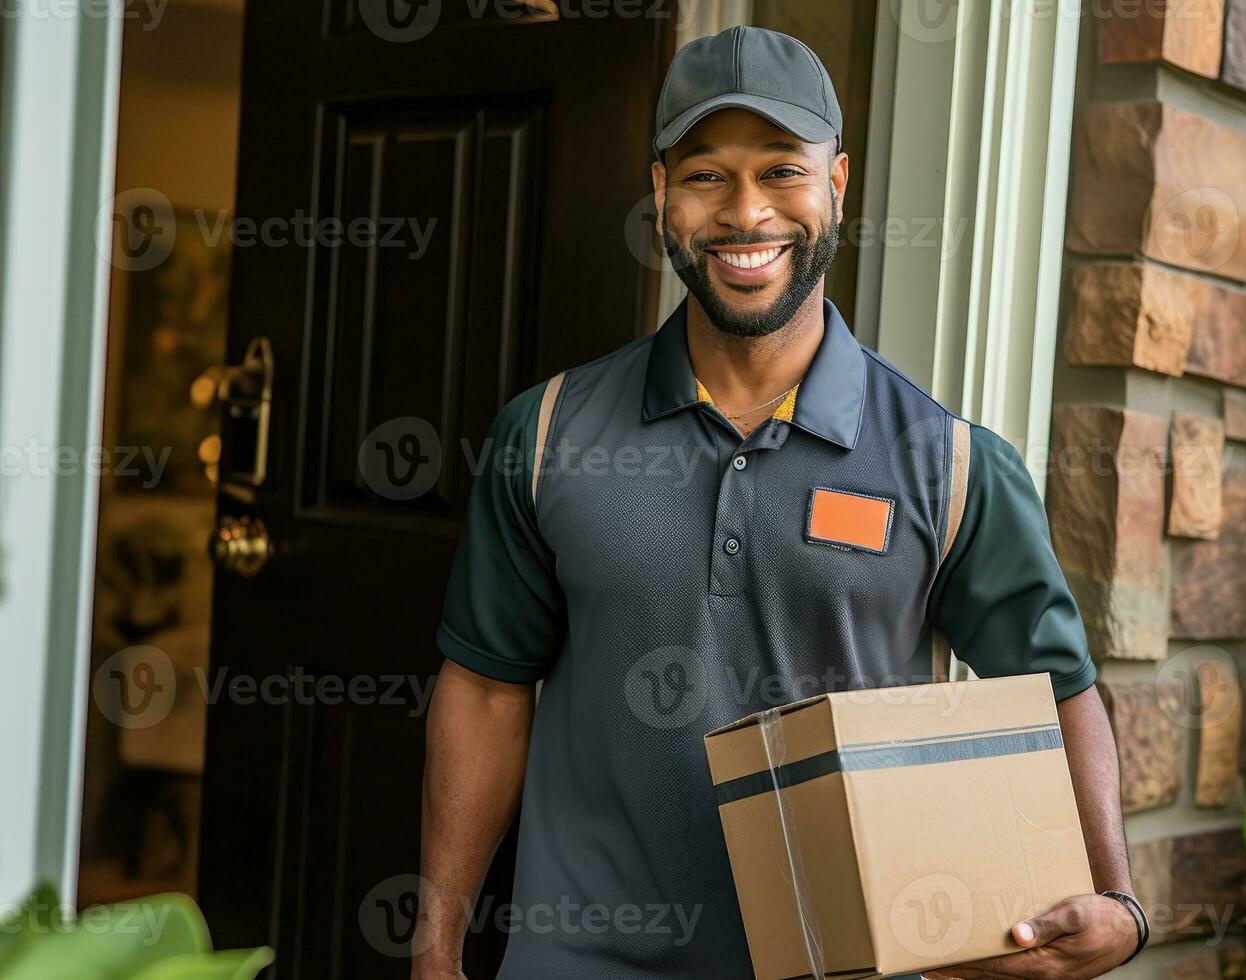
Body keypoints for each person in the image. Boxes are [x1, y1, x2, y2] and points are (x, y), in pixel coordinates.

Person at [413, 26, 1145, 980]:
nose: (746, 212)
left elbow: (1054, 692)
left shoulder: (952, 463)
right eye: (708, 176)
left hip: (844, 966)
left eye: (781, 172)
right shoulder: (546, 434)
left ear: (837, 183)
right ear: (663, 191)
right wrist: (436, 949)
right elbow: (485, 689)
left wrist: (1117, 901)